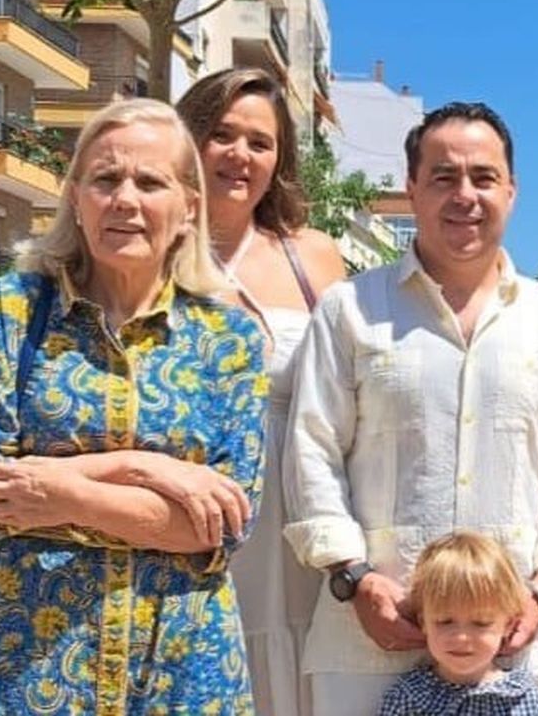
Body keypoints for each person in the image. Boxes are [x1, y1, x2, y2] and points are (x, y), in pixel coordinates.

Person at [0, 98, 268, 714]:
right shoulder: (14, 311)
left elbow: (224, 525)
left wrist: (56, 489)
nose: (125, 199)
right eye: (106, 178)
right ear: (75, 195)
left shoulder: (230, 339)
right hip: (33, 669)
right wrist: (150, 470)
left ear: (188, 207)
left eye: (150, 182)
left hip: (182, 667)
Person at [284, 101, 538, 715]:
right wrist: (355, 580)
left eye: (483, 178)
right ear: (411, 189)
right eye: (443, 177)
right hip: (368, 638)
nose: (465, 194)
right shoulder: (349, 310)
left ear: (511, 191)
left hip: (506, 646)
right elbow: (312, 453)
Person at [177, 67, 348, 716]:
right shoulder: (149, 251)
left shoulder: (315, 255)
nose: (240, 154)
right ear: (189, 138)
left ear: (280, 158)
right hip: (194, 522)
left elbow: (364, 380)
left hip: (300, 515)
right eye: (222, 134)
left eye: (260, 141)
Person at [376, 533, 538, 716]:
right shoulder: (409, 697)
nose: (461, 637)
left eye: (480, 623)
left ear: (509, 624)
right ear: (423, 622)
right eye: (445, 621)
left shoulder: (526, 699)